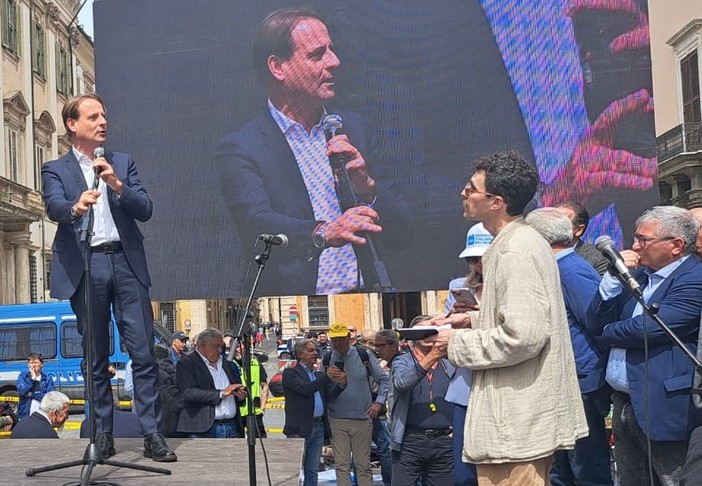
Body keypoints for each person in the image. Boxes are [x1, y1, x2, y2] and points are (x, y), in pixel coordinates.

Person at [215, 7, 411, 296]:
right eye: (317, 54)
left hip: (366, 293)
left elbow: (403, 230)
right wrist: (323, 233)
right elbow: (257, 223)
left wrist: (367, 187)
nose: (335, 62)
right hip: (298, 296)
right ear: (278, 67)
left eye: (332, 50)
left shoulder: (353, 129)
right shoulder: (242, 147)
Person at [430, 151, 587, 484]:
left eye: (471, 188)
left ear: (496, 202)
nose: (463, 193)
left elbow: (523, 336)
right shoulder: (514, 242)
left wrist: (455, 343)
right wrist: (469, 321)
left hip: (517, 425)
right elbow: (525, 322)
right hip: (516, 422)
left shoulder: (515, 249)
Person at [40, 93, 176, 463]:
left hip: (126, 264)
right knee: (94, 356)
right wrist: (74, 207)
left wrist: (117, 185)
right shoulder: (56, 168)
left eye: (105, 116)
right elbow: (52, 205)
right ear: (73, 125)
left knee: (144, 354)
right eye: (94, 117)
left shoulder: (121, 162)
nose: (103, 122)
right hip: (88, 265)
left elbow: (145, 209)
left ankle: (152, 434)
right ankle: (102, 435)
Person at [587, 206, 702, 485]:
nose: (634, 246)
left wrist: (607, 332)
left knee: (673, 479)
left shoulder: (694, 279)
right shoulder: (636, 276)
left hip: (664, 406)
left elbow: (647, 329)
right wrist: (612, 279)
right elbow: (593, 321)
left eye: (643, 240)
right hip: (624, 402)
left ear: (676, 245)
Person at [526, 208, 612, 486]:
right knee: (561, 468)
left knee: (586, 465)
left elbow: (598, 320)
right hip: (565, 379)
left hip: (581, 381)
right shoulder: (557, 268)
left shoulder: (571, 269)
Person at [444, 224, 493, 486]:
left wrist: (478, 312)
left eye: (481, 257)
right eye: (471, 259)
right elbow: (448, 333)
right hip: (465, 387)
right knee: (464, 472)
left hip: (500, 385)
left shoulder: (513, 286)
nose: (477, 264)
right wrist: (454, 317)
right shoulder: (457, 287)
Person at [391, 316, 455, 485]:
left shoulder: (448, 364)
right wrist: (433, 355)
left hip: (443, 442)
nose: (428, 335)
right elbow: (401, 383)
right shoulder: (402, 361)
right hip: (410, 442)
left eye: (432, 331)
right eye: (423, 331)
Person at [324, 322, 389, 486]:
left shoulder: (363, 355)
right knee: (341, 465)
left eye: (340, 339)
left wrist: (378, 403)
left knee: (363, 465)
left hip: (362, 418)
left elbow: (384, 379)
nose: (337, 343)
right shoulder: (327, 358)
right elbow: (321, 389)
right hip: (337, 419)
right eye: (334, 340)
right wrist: (327, 378)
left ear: (348, 338)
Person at [282, 339, 346, 486]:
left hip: (318, 426)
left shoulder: (317, 375)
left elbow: (328, 396)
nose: (315, 353)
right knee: (296, 470)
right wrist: (327, 378)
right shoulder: (291, 373)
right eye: (310, 350)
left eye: (316, 350)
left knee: (313, 469)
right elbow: (306, 389)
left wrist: (342, 384)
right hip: (299, 428)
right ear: (300, 354)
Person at [176, 328, 248, 438]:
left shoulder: (229, 365)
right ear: (201, 345)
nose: (219, 350)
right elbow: (188, 392)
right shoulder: (187, 364)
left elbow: (235, 391)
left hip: (232, 427)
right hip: (204, 429)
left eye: (221, 346)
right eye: (215, 346)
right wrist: (221, 394)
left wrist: (240, 396)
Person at [556, 201, 609, 275]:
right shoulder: (538, 251)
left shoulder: (597, 258)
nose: (553, 226)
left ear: (579, 230)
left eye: (561, 223)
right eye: (552, 221)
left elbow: (600, 286)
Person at [232, 340, 270, 438]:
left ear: (246, 347)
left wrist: (263, 408)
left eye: (239, 347)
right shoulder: (230, 364)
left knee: (259, 441)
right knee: (236, 444)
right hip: (236, 413)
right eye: (234, 347)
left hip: (254, 411)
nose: (237, 350)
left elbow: (264, 386)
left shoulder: (255, 363)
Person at [16, 353, 56, 420]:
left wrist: (33, 395)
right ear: (28, 365)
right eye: (31, 363)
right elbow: (22, 391)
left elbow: (49, 397)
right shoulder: (23, 376)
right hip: (26, 414)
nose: (33, 365)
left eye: (36, 362)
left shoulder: (47, 379)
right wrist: (32, 379)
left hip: (43, 414)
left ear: (42, 364)